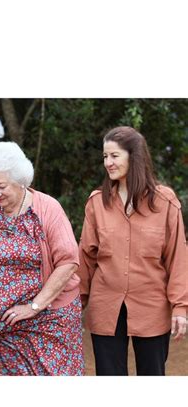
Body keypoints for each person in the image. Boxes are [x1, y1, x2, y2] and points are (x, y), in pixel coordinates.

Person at [0, 141, 84, 375]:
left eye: (1, 186)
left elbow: (68, 262)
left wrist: (34, 306)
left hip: (46, 322)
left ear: (20, 180)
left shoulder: (48, 208)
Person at [78, 126, 187, 376]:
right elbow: (85, 258)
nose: (108, 162)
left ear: (133, 156)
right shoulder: (97, 203)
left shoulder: (165, 202)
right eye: (105, 157)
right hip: (106, 308)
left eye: (114, 156)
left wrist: (180, 307)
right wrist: (76, 304)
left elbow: (177, 258)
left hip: (152, 308)